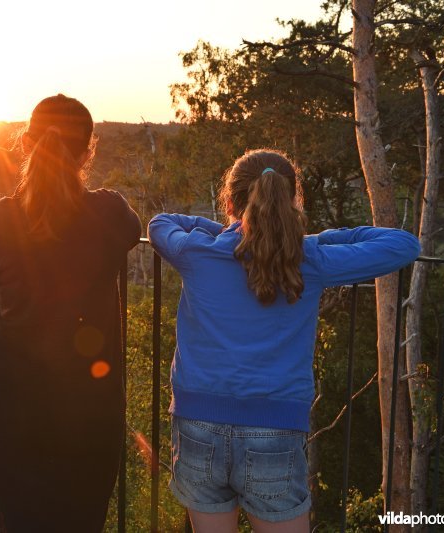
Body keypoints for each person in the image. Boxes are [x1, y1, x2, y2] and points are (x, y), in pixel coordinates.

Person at [148, 149, 421, 532]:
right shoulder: (309, 258)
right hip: (274, 429)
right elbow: (403, 245)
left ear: (230, 202)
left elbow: (162, 223)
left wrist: (221, 233)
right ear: (293, 199)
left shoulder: (197, 252)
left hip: (198, 423)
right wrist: (321, 239)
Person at [0, 94, 142, 532]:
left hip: (10, 405)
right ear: (89, 150)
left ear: (26, 143)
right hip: (88, 408)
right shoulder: (110, 213)